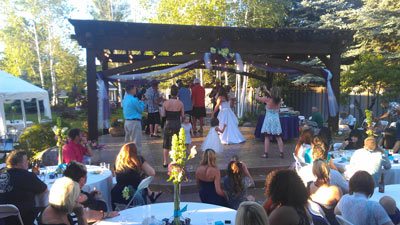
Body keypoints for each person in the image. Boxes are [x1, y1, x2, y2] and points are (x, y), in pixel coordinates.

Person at [0, 150, 47, 225]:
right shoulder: (27, 175)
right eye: (26, 161)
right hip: (24, 219)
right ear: (18, 164)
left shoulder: (1, 175)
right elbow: (45, 190)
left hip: (3, 220)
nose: (28, 163)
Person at [111, 143, 161, 209]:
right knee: (141, 181)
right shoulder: (138, 159)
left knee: (140, 181)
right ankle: (151, 195)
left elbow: (116, 177)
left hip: (117, 192)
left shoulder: (118, 162)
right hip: (133, 194)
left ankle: (151, 194)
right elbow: (152, 173)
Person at [308, 160, 342, 225]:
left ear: (314, 172)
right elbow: (341, 210)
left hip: (317, 221)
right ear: (328, 171)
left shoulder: (308, 186)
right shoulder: (335, 190)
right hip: (333, 221)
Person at [256, 87, 284, 159]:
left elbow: (257, 97)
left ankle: (266, 153)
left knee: (267, 137)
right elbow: (273, 95)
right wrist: (266, 90)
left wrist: (257, 91)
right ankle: (281, 153)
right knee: (278, 137)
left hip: (268, 119)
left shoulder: (267, 99)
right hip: (276, 120)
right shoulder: (279, 100)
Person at [162, 85, 184, 167]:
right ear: (177, 93)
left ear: (170, 93)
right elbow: (183, 115)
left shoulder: (165, 103)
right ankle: (176, 160)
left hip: (168, 123)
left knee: (166, 144)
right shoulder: (180, 103)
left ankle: (165, 162)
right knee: (177, 142)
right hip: (177, 124)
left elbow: (163, 115)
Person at [122, 84, 145, 152]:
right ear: (131, 90)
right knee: (136, 142)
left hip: (127, 122)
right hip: (134, 122)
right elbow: (140, 110)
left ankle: (127, 157)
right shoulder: (134, 99)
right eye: (135, 89)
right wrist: (142, 101)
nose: (136, 90)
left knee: (127, 143)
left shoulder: (125, 99)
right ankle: (136, 159)